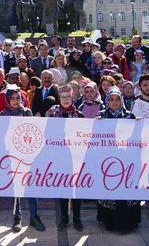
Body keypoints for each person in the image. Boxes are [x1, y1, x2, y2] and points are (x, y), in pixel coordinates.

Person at [0, 88, 46, 232]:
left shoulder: (26, 112)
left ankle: (34, 216)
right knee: (16, 187)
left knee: (30, 186)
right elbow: (1, 136)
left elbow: (32, 131)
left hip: (27, 155)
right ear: (7, 99)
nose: (15, 101)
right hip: (11, 155)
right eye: (12, 98)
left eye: (17, 98)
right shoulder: (2, 114)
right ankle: (17, 217)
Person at [96, 87, 140, 232]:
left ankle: (128, 223)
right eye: (111, 100)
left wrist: (140, 125)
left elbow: (136, 138)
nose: (114, 103)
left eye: (117, 99)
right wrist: (96, 125)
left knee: (125, 191)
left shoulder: (130, 116)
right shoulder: (101, 116)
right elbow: (95, 138)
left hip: (126, 161)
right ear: (107, 101)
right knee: (110, 191)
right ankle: (110, 222)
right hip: (108, 161)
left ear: (121, 100)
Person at [46, 85, 85, 231]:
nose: (65, 100)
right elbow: (47, 133)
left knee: (76, 188)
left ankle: (77, 217)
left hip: (75, 157)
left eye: (68, 97)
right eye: (63, 98)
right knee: (62, 188)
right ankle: (64, 217)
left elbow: (84, 135)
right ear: (59, 99)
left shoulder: (79, 114)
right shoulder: (52, 114)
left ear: (72, 98)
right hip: (59, 157)